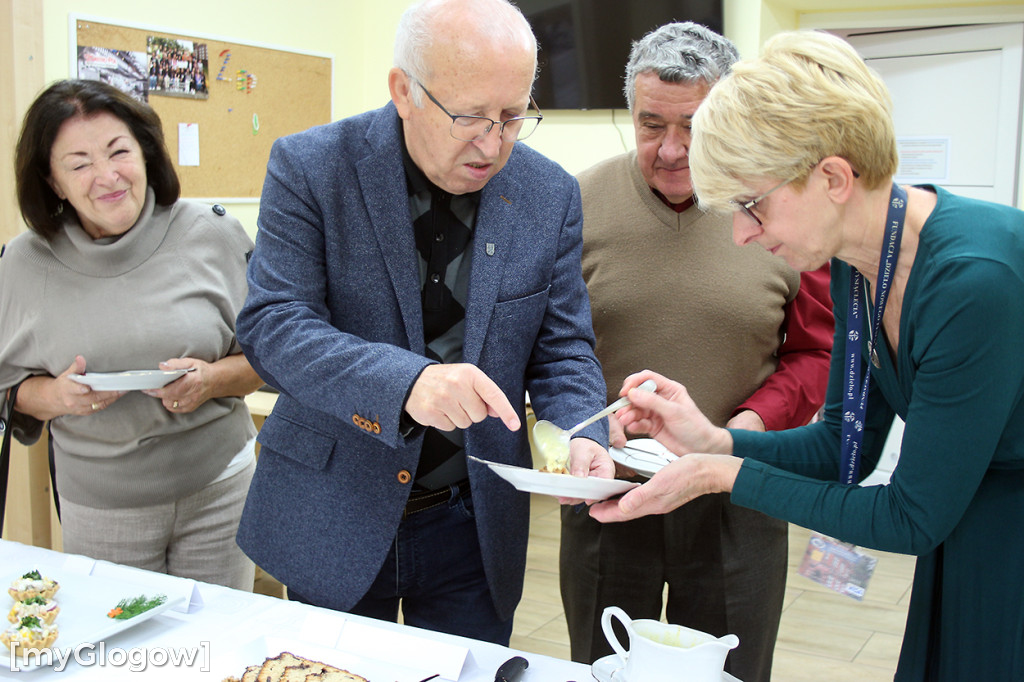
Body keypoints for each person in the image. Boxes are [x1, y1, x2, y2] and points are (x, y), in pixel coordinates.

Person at [592, 30, 1024, 682]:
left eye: (752, 205)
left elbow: (910, 516)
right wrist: (713, 442)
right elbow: (841, 450)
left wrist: (720, 476)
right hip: (967, 526)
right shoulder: (858, 268)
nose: (741, 234)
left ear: (833, 178)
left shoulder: (974, 283)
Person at [234, 0, 611, 645]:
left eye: (514, 116)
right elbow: (274, 324)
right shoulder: (312, 168)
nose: (492, 143)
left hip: (474, 524)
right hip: (334, 510)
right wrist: (406, 383)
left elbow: (563, 346)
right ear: (403, 90)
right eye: (469, 117)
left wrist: (582, 429)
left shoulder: (549, 193)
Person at [559, 23, 833, 681]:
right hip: (610, 491)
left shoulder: (784, 209)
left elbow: (815, 354)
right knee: (604, 670)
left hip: (740, 492)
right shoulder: (572, 205)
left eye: (695, 126)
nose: (673, 149)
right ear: (630, 112)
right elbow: (552, 341)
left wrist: (740, 432)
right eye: (651, 126)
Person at [0, 79, 263, 589]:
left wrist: (209, 379)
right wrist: (55, 397)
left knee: (217, 654)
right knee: (126, 658)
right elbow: (8, 390)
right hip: (102, 509)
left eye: (119, 151)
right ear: (53, 182)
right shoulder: (24, 263)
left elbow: (268, 358)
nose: (107, 176)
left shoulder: (211, 232)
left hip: (220, 489)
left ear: (144, 153)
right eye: (78, 164)